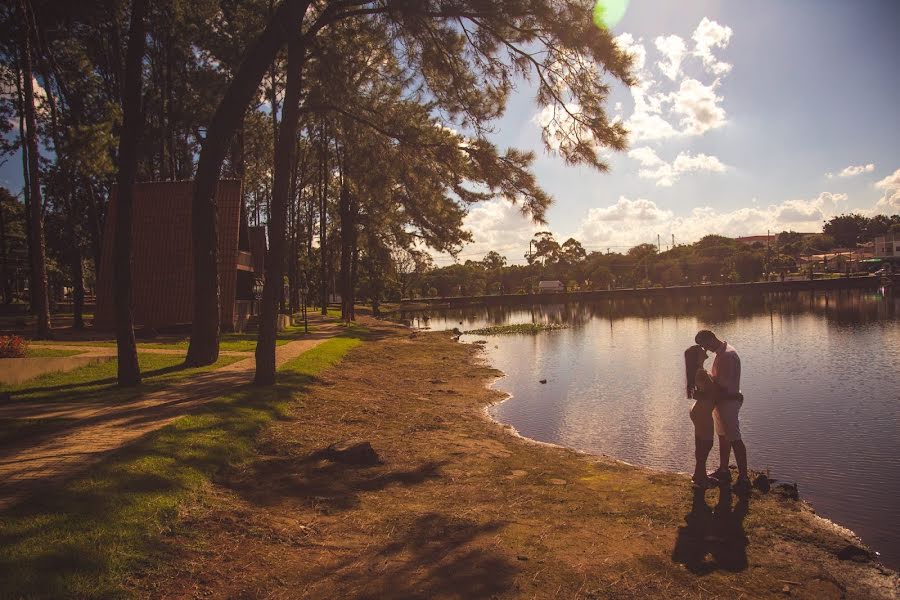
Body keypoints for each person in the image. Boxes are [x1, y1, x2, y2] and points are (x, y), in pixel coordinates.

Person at [694, 330, 751, 493]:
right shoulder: (721, 354)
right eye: (701, 347)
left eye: (704, 344)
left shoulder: (727, 356)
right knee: (723, 437)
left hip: (728, 403)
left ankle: (743, 478)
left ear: (711, 338)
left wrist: (704, 390)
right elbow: (718, 382)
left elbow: (722, 388)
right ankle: (724, 470)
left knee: (735, 438)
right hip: (721, 402)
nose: (704, 349)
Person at [684, 344, 717, 489]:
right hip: (703, 412)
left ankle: (699, 475)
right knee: (707, 444)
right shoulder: (701, 373)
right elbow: (713, 393)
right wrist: (734, 395)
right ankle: (700, 478)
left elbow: (696, 394)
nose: (705, 350)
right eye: (701, 350)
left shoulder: (696, 372)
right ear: (697, 356)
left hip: (699, 410)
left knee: (700, 443)